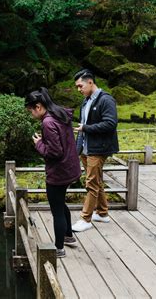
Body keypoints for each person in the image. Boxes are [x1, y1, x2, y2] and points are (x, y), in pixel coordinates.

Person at [26, 87, 81, 258]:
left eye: (30, 110)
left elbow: (54, 152)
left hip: (59, 171)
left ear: (38, 106)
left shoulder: (48, 122)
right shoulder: (60, 114)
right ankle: (68, 236)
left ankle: (58, 248)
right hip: (70, 167)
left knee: (56, 208)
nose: (31, 114)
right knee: (61, 202)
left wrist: (39, 144)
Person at [71, 69, 119, 232]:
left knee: (91, 183)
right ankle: (103, 213)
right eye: (77, 87)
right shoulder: (86, 100)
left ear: (90, 82)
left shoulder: (106, 100)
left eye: (80, 86)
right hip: (86, 148)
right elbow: (82, 126)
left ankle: (85, 218)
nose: (79, 89)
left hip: (98, 149)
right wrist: (78, 150)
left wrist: (87, 128)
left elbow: (110, 123)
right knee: (96, 181)